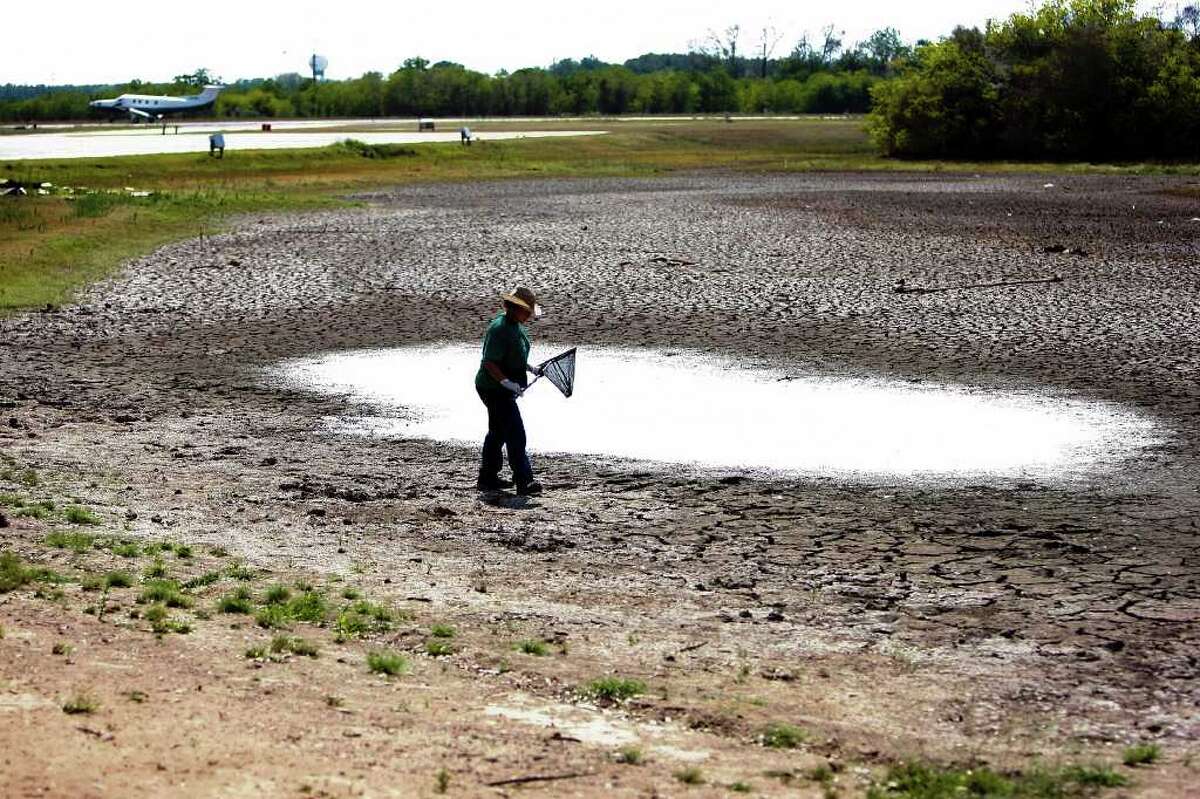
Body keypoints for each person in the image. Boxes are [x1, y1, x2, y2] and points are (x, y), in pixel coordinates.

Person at [475, 287, 544, 495]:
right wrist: (506, 382)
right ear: (514, 308)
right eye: (527, 311)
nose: (529, 315)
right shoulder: (499, 329)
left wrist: (530, 368)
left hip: (500, 388)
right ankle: (524, 481)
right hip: (492, 388)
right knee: (515, 433)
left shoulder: (516, 326)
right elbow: (489, 362)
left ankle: (487, 478)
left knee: (497, 432)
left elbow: (515, 355)